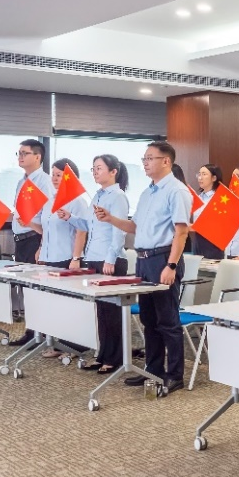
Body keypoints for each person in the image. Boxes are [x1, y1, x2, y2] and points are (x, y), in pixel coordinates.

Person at [96, 141, 191, 396]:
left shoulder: (177, 191)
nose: (145, 163)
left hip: (163, 259)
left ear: (166, 161)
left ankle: (175, 375)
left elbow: (181, 232)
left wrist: (171, 265)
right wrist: (110, 218)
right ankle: (153, 369)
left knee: (167, 320)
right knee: (149, 320)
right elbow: (134, 227)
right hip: (144, 260)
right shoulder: (147, 193)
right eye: (144, 159)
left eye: (150, 158)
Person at [66, 154, 130, 374]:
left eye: (99, 168)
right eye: (93, 168)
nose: (95, 172)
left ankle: (115, 358)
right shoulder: (98, 195)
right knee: (100, 312)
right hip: (94, 256)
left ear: (113, 172)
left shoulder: (117, 196)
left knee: (111, 313)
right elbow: (89, 225)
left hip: (109, 260)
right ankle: (102, 355)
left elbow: (119, 229)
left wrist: (111, 258)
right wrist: (70, 217)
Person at [38, 158, 91, 359]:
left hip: (67, 257)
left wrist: (76, 257)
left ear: (70, 177)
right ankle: (57, 343)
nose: (54, 178)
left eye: (59, 175)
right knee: (53, 303)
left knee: (69, 304)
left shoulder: (78, 201)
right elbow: (46, 228)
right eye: (53, 174)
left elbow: (81, 231)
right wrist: (40, 249)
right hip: (49, 257)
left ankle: (75, 346)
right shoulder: (49, 200)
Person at [6, 138, 54, 346]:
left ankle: (41, 334)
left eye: (24, 153)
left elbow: (48, 218)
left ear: (38, 156)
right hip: (21, 241)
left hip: (35, 239)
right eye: (19, 153)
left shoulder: (44, 182)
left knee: (37, 288)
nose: (20, 157)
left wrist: (42, 245)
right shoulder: (21, 182)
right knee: (27, 288)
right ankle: (31, 331)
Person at [192, 164, 226, 259]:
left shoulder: (220, 198)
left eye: (204, 174)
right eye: (199, 174)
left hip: (213, 243)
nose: (200, 177)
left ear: (214, 178)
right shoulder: (198, 198)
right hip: (198, 241)